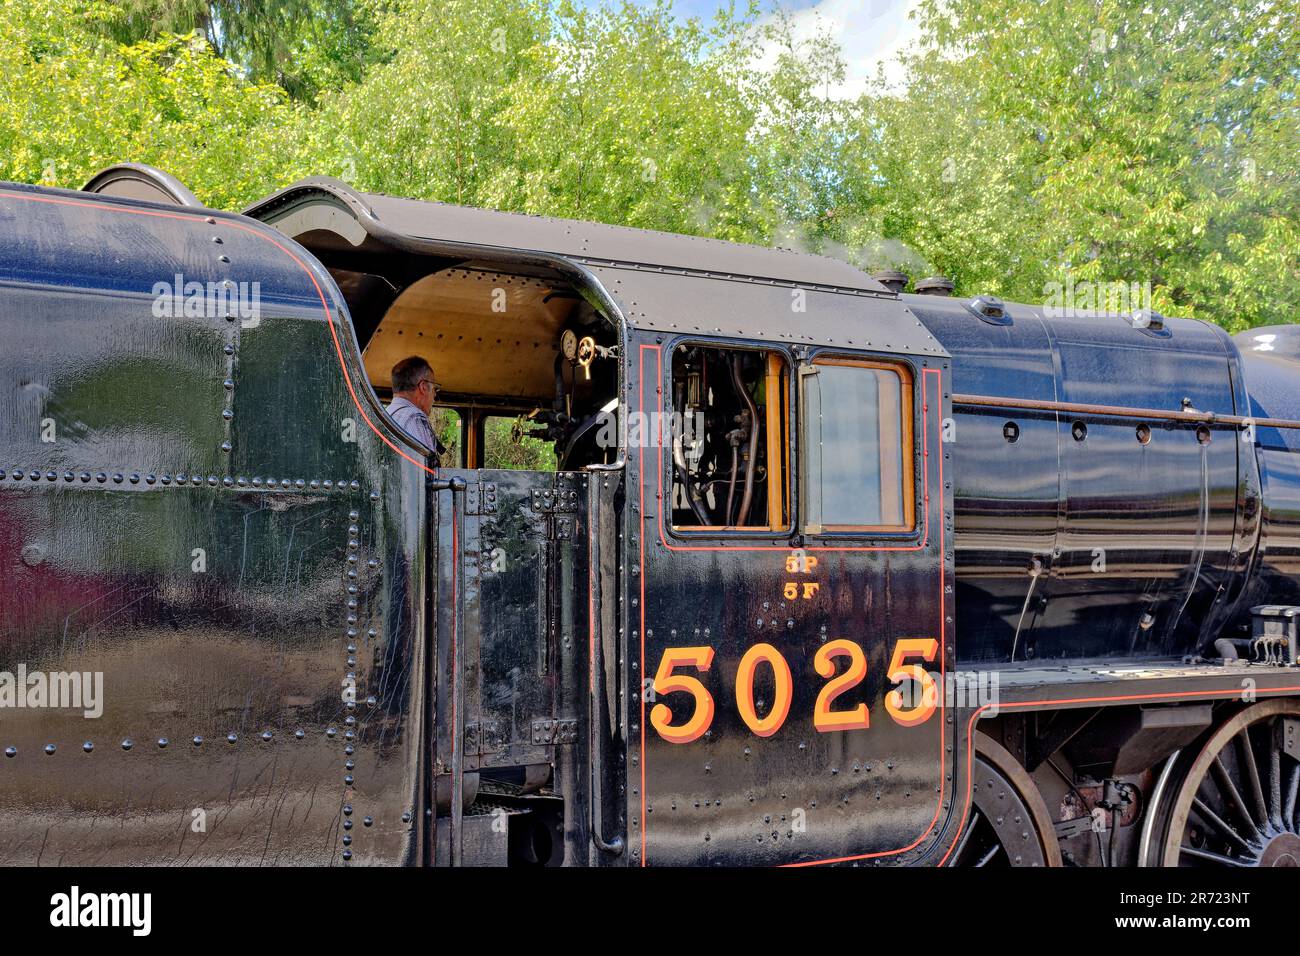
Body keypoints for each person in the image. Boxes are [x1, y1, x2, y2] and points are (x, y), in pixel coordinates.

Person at [387, 355, 446, 456]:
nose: (435, 395)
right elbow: (423, 470)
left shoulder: (388, 414)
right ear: (423, 387)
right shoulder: (414, 418)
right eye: (434, 389)